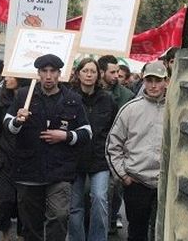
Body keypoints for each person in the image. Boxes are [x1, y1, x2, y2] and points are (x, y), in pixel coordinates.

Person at [4, 54, 92, 241]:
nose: (49, 76)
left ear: (60, 74)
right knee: (30, 223)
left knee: (59, 216)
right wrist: (18, 121)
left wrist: (66, 136)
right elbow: (8, 125)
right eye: (44, 71)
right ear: (38, 74)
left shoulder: (73, 99)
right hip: (28, 170)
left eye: (53, 71)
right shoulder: (23, 95)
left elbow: (87, 132)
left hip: (59, 171)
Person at [106, 61, 169, 241]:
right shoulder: (130, 109)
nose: (154, 85)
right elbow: (113, 145)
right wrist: (123, 176)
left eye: (158, 80)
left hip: (165, 184)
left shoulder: (174, 110)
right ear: (143, 81)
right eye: (149, 80)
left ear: (167, 81)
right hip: (137, 182)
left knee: (162, 232)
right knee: (136, 232)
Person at [68, 58, 116, 241]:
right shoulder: (69, 97)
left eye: (93, 71)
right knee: (75, 206)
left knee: (99, 199)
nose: (89, 74)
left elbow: (114, 128)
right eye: (85, 71)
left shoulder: (107, 99)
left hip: (99, 158)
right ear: (78, 73)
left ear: (98, 75)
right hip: (74, 158)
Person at [0, 76, 32, 241]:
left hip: (26, 156)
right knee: (4, 198)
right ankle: (5, 233)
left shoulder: (33, 100)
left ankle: (21, 234)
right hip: (4, 156)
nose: (7, 79)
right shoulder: (1, 100)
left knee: (23, 200)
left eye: (11, 76)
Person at [96, 55, 134, 232]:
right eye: (112, 72)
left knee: (116, 188)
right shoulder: (91, 92)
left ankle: (111, 219)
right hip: (96, 150)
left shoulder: (126, 96)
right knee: (96, 193)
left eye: (118, 72)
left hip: (118, 150)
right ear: (101, 72)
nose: (116, 75)